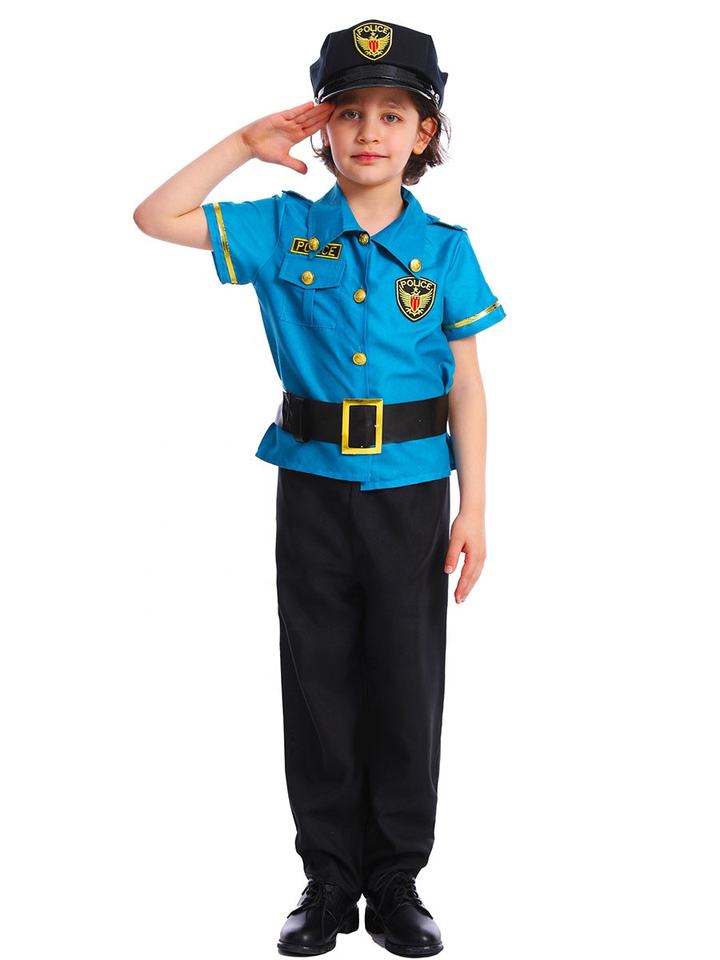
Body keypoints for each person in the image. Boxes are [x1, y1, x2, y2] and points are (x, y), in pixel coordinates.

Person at [133, 18, 506, 958]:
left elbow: (466, 384)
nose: (369, 131)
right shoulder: (283, 228)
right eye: (348, 113)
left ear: (425, 133)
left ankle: (397, 881)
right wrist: (242, 143)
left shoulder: (445, 249)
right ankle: (329, 878)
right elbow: (156, 216)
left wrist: (475, 507)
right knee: (319, 679)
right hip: (311, 486)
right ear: (323, 128)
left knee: (406, 681)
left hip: (413, 492)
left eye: (393, 114)